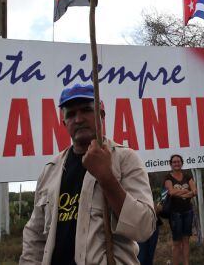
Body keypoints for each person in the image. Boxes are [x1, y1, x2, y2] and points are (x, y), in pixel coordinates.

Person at [21, 83, 156, 265]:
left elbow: (144, 227)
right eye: (71, 114)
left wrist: (107, 178)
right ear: (64, 123)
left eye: (85, 110)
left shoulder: (124, 159)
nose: (78, 119)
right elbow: (35, 237)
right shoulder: (50, 170)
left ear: (101, 114)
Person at [164, 154, 196, 265]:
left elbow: (195, 192)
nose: (176, 163)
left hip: (188, 211)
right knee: (177, 242)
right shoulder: (168, 177)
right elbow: (171, 192)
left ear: (182, 163)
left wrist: (179, 192)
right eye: (174, 162)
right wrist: (187, 192)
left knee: (186, 240)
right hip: (175, 213)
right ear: (171, 164)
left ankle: (186, 263)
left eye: (178, 161)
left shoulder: (187, 176)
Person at [137, 187, 164, 265]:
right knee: (141, 257)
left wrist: (158, 208)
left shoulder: (154, 192)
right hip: (141, 227)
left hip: (153, 225)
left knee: (149, 256)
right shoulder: (134, 188)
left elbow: (158, 208)